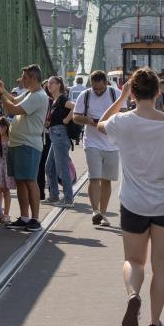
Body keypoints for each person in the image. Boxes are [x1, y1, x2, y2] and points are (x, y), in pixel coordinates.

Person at [93, 68, 164, 326]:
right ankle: (155, 323)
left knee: (134, 260)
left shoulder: (122, 122)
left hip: (133, 203)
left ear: (133, 92)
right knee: (162, 265)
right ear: (158, 92)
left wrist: (120, 99)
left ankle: (133, 294)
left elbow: (100, 124)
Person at [0, 64, 49, 232]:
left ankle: (35, 219)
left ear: (34, 78)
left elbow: (13, 109)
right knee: (20, 182)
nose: (22, 80)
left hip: (28, 144)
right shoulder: (30, 93)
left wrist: (1, 94)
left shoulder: (38, 96)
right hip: (18, 143)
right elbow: (15, 100)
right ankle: (24, 217)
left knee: (30, 181)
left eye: (25, 77)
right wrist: (4, 90)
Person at [72, 70, 122, 227]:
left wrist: (110, 122)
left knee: (107, 180)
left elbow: (124, 114)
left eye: (101, 88)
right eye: (95, 88)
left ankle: (103, 213)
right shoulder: (85, 95)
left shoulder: (115, 94)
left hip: (112, 144)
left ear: (106, 83)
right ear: (91, 85)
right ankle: (95, 211)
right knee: (94, 177)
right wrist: (86, 120)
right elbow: (75, 117)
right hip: (92, 142)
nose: (98, 91)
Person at [43, 76, 76, 206]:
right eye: (48, 83)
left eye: (52, 82)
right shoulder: (54, 101)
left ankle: (68, 198)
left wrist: (66, 120)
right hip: (54, 135)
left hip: (60, 135)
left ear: (59, 85)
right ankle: (54, 196)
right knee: (49, 167)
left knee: (62, 167)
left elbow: (75, 106)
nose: (49, 84)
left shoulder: (62, 99)